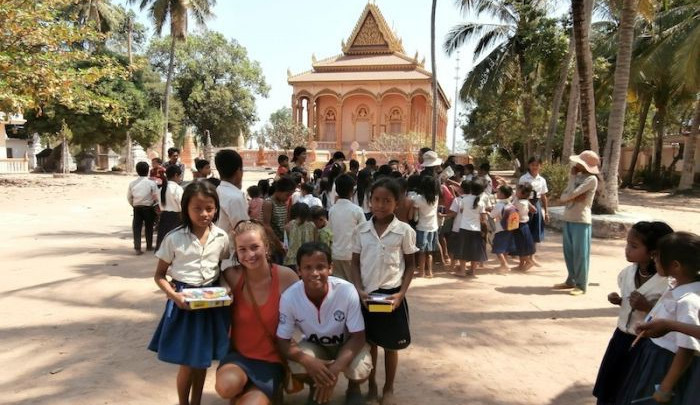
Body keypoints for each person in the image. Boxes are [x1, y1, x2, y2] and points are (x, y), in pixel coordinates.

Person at [148, 181, 231, 405]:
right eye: (197, 208)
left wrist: (226, 288)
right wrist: (175, 296)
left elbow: (223, 269)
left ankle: (196, 402)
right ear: (185, 208)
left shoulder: (222, 237)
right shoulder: (174, 238)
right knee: (187, 361)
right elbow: (159, 276)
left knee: (201, 360)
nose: (204, 214)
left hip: (210, 303)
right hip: (184, 303)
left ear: (216, 208)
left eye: (210, 208)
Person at [215, 220, 299, 405]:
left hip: (271, 360)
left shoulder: (286, 277)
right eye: (242, 249)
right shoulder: (232, 276)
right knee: (225, 386)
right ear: (236, 252)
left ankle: (264, 391)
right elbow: (209, 280)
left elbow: (307, 308)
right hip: (238, 356)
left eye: (255, 247)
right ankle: (246, 391)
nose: (249, 254)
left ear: (266, 247)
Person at [277, 242, 372, 405]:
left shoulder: (346, 291)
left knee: (360, 368)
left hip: (346, 345)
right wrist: (308, 361)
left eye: (320, 267)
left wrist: (335, 369)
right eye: (307, 267)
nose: (314, 273)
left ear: (330, 268)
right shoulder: (289, 297)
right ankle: (316, 386)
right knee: (296, 363)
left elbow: (358, 337)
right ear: (298, 270)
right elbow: (282, 341)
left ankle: (353, 387)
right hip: (316, 346)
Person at [350, 177, 418, 405]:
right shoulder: (361, 230)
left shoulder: (404, 231)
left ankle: (388, 388)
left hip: (392, 296)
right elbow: (354, 263)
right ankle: (372, 384)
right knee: (371, 345)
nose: (380, 205)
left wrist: (401, 294)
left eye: (386, 200)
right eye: (376, 199)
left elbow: (410, 265)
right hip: (367, 296)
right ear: (369, 201)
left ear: (396, 203)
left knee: (391, 346)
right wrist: (358, 289)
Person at [592, 221, 674, 405]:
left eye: (634, 246)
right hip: (620, 338)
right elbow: (629, 303)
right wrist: (621, 301)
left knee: (629, 389)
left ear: (653, 253)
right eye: (627, 243)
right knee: (609, 385)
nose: (627, 249)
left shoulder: (667, 283)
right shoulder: (627, 273)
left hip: (644, 344)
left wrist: (648, 307)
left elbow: (669, 317)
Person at [615, 232, 700, 405]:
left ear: (675, 265)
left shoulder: (688, 301)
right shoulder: (676, 288)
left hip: (664, 363)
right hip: (654, 356)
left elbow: (686, 349)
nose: (654, 261)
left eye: (657, 257)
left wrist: (665, 387)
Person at [553, 150, 600, 296]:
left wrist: (571, 196)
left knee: (581, 253)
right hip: (569, 217)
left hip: (581, 220)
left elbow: (571, 194)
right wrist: (572, 179)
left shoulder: (591, 180)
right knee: (569, 252)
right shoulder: (577, 177)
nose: (576, 165)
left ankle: (581, 284)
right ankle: (571, 279)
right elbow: (564, 195)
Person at [445, 179, 487, 277]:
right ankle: (472, 271)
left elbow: (462, 211)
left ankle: (462, 271)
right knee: (474, 251)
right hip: (476, 229)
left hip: (464, 228)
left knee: (462, 250)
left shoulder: (464, 200)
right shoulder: (481, 202)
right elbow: (483, 218)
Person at [215, 149, 249, 266]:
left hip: (217, 251)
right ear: (239, 170)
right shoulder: (235, 197)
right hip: (231, 257)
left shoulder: (218, 191)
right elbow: (243, 230)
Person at [329, 174, 366, 281]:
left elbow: (330, 231)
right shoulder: (357, 210)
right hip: (352, 255)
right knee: (353, 285)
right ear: (352, 191)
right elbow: (364, 232)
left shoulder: (332, 210)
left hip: (336, 254)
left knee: (339, 285)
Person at [518, 157, 550, 266]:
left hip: (537, 205)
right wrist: (529, 204)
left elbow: (544, 196)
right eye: (532, 165)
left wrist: (546, 212)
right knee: (524, 231)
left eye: (537, 165)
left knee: (535, 231)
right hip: (525, 205)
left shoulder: (542, 180)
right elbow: (520, 194)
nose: (535, 167)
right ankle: (523, 258)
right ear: (529, 166)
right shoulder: (523, 178)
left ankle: (532, 256)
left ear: (540, 166)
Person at [411, 175, 439, 278]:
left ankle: (421, 272)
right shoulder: (436, 198)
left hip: (422, 227)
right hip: (433, 227)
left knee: (421, 252)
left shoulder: (419, 199)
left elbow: (415, 214)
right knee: (429, 251)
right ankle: (430, 271)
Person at [127, 161, 158, 255]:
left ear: (137, 171)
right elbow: (156, 196)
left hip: (137, 207)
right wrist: (154, 204)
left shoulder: (132, 184)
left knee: (137, 227)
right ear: (148, 170)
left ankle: (137, 248)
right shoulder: (151, 183)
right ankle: (149, 246)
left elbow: (129, 197)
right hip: (148, 207)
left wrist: (134, 204)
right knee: (149, 227)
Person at [263, 176, 296, 264]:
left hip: (281, 243)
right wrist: (278, 243)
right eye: (287, 195)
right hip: (272, 244)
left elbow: (284, 222)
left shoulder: (283, 203)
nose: (288, 198)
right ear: (279, 191)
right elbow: (266, 226)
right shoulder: (269, 203)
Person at [155, 165, 184, 251]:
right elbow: (181, 203)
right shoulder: (177, 189)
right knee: (175, 243)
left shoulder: (161, 189)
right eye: (180, 176)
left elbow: (160, 204)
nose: (180, 178)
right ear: (176, 175)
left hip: (164, 216)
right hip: (176, 217)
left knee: (164, 240)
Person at [489, 185, 515, 272]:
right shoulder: (510, 203)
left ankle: (505, 265)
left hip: (500, 228)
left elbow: (492, 216)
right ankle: (503, 265)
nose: (497, 193)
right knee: (505, 248)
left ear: (503, 194)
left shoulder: (499, 205)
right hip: (510, 228)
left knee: (497, 248)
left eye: (499, 192)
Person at [284, 202, 317, 271]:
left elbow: (286, 245)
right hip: (309, 257)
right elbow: (315, 242)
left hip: (292, 260)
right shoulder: (312, 225)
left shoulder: (288, 226)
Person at [511, 183, 536, 272]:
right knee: (521, 247)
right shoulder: (523, 200)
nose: (516, 192)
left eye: (518, 190)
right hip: (523, 225)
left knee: (521, 246)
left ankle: (529, 262)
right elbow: (534, 209)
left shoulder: (520, 203)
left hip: (519, 226)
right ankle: (521, 265)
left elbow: (513, 211)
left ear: (523, 194)